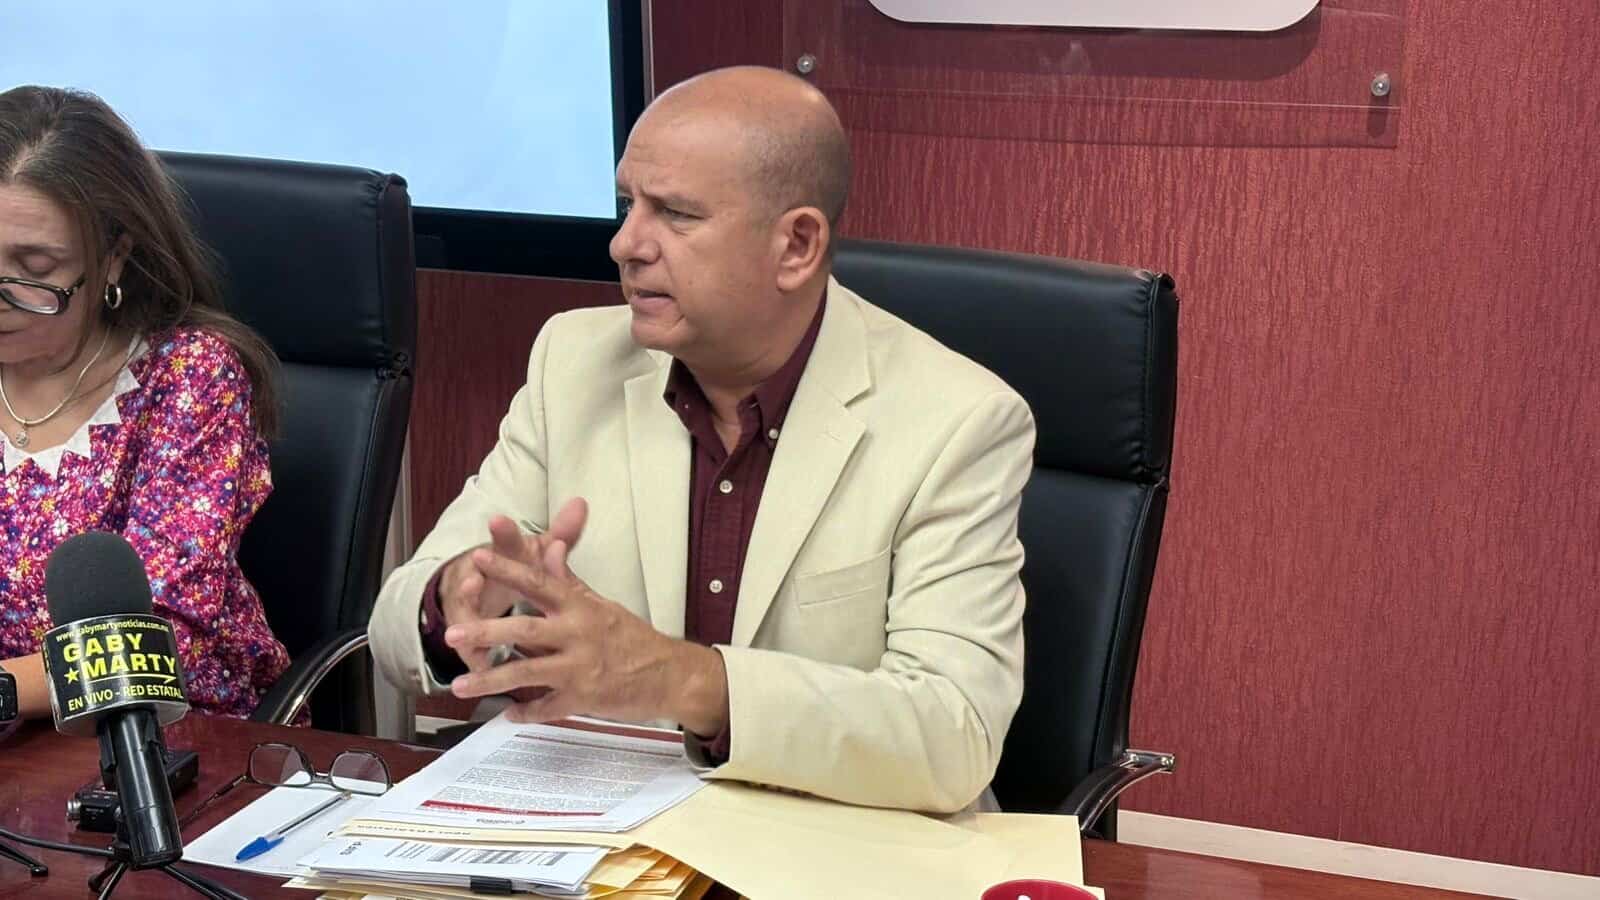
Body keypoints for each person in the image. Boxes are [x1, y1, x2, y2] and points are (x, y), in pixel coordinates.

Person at [370, 66, 1034, 813]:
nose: (624, 244)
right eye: (627, 204)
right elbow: (392, 635)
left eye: (676, 214)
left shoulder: (958, 420)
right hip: (591, 828)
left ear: (797, 245)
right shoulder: (573, 362)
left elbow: (953, 734)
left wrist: (683, 681)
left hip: (829, 836)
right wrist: (453, 602)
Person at [0, 86, 290, 719]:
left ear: (114, 258)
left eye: (34, 269)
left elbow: (151, 643)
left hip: (170, 734)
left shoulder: (190, 376)